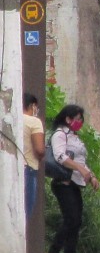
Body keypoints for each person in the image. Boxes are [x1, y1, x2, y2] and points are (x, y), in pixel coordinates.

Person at [45, 104, 99, 253]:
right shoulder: (60, 135)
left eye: (80, 120)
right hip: (63, 183)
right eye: (76, 119)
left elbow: (81, 161)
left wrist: (91, 175)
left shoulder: (75, 137)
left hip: (75, 183)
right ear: (67, 119)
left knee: (76, 221)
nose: (79, 122)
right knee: (71, 219)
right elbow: (61, 157)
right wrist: (81, 169)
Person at [22, 93, 45, 221]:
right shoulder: (34, 122)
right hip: (29, 168)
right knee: (26, 211)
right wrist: (41, 156)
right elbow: (39, 149)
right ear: (32, 105)